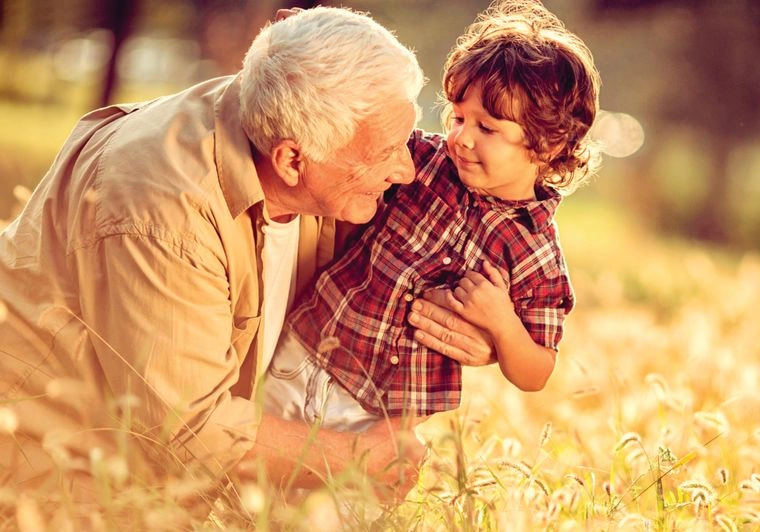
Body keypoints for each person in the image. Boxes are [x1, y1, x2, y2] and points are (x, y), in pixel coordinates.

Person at [0, 6, 480, 505]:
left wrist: (480, 330)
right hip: (53, 491)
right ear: (292, 160)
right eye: (386, 153)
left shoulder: (298, 120)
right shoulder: (161, 211)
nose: (407, 170)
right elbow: (191, 433)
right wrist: (357, 459)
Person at [264, 0, 601, 430]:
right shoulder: (424, 161)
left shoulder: (535, 252)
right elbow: (360, 134)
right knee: (251, 478)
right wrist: (309, 46)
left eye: (487, 128)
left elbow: (536, 373)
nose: (461, 138)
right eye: (458, 117)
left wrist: (501, 324)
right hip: (304, 352)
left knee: (344, 497)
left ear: (548, 145)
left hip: (381, 415)